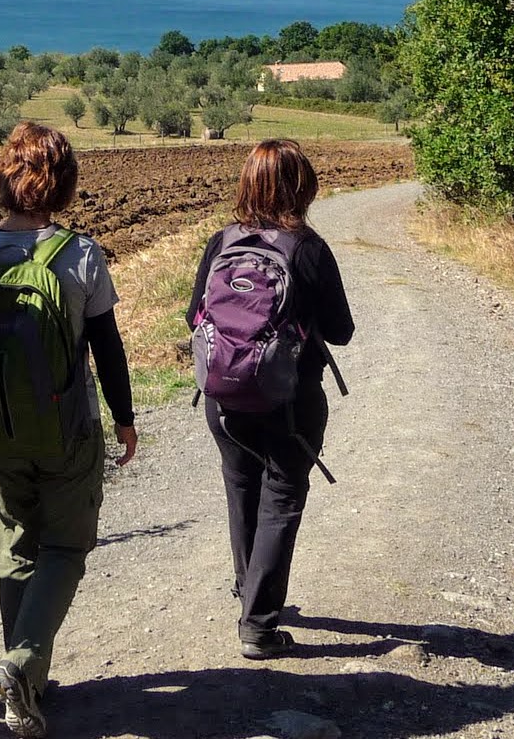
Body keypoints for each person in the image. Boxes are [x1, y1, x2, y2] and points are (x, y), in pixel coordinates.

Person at [0, 122, 137, 739]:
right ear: (65, 184)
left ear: (3, 178)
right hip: (66, 429)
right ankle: (22, 664)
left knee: (16, 544)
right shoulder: (79, 254)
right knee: (66, 548)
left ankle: (25, 683)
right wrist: (125, 419)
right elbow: (106, 349)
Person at [189, 138, 354, 660]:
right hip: (290, 401)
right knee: (281, 500)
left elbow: (194, 317)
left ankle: (250, 597)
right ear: (302, 186)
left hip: (224, 400)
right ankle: (258, 626)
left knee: (242, 493)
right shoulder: (307, 248)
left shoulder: (222, 243)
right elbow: (341, 331)